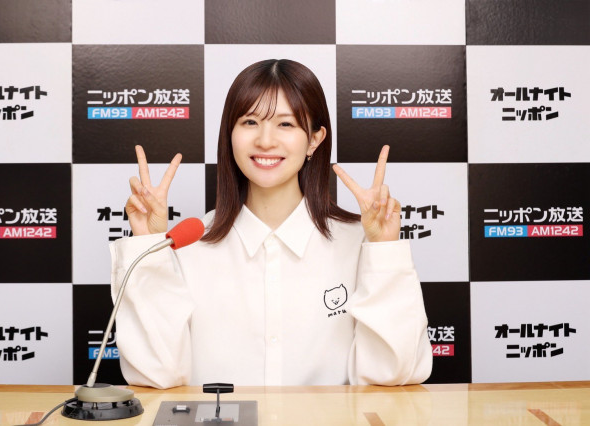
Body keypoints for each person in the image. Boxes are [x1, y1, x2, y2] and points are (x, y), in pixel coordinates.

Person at [111, 59, 432, 389]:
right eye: (250, 122)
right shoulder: (187, 245)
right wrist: (149, 246)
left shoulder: (359, 243)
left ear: (314, 139)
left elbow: (395, 373)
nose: (265, 141)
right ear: (230, 134)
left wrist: (384, 250)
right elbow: (157, 374)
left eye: (285, 124)